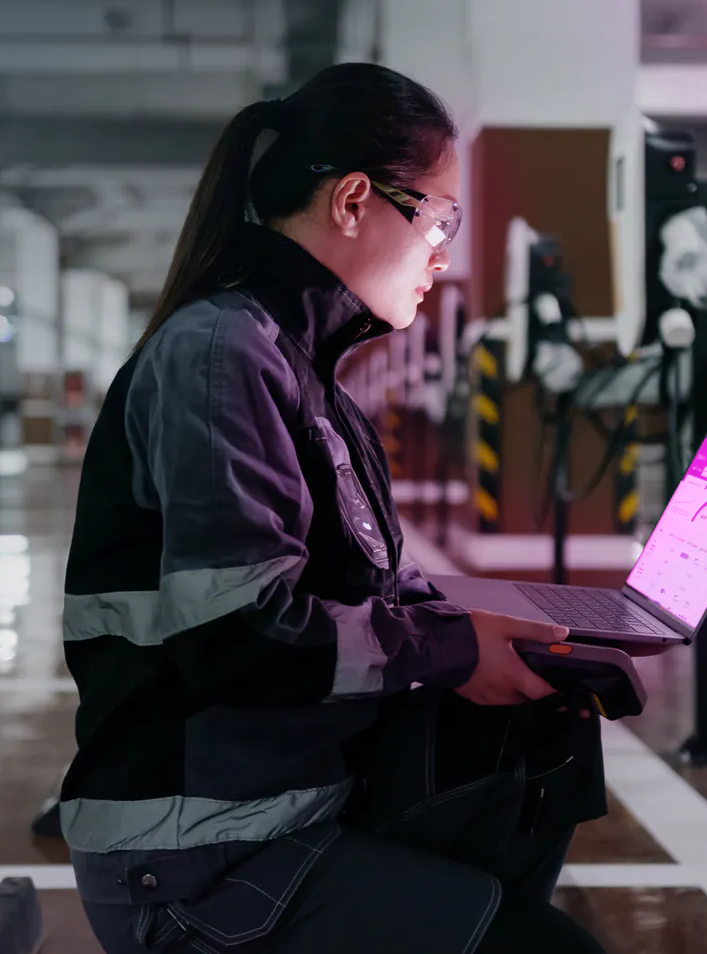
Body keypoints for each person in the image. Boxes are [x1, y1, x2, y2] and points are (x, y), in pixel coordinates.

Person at [60, 63, 610, 954]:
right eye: (438, 216)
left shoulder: (299, 367)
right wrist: (455, 645)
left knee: (541, 751)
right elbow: (240, 639)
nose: (445, 250)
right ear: (354, 201)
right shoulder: (221, 353)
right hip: (203, 862)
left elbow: (366, 588)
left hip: (281, 813)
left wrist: (500, 622)